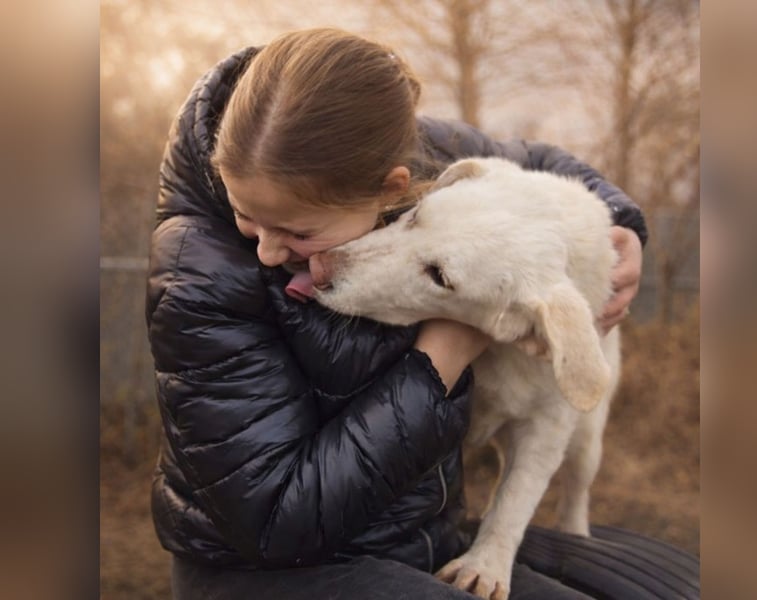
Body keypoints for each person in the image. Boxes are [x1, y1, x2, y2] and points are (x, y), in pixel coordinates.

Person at [146, 28, 647, 600]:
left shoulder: (401, 148)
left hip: (419, 540)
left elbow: (537, 162)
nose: (265, 250)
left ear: (391, 188)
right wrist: (441, 358)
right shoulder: (197, 276)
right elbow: (275, 520)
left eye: (298, 230)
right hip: (266, 571)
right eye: (245, 215)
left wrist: (621, 221)